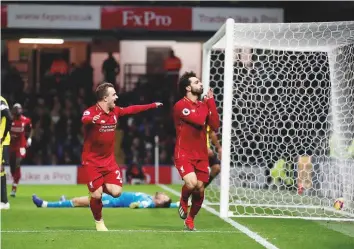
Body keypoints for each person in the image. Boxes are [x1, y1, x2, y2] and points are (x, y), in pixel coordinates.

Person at [81, 82, 162, 231]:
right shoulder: (91, 112)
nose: (116, 97)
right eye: (114, 95)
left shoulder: (115, 112)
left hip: (109, 162)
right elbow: (85, 118)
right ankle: (99, 221)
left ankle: (95, 186)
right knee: (97, 195)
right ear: (105, 98)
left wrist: (152, 105)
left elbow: (132, 109)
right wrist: (93, 120)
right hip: (91, 161)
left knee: (116, 192)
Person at [173, 71, 220, 231]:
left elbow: (214, 125)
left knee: (200, 189)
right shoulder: (180, 106)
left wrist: (211, 102)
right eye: (196, 82)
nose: (201, 84)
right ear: (188, 87)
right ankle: (184, 198)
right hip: (184, 153)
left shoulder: (203, 105)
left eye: (200, 82)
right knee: (192, 184)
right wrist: (207, 106)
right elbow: (200, 120)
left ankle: (191, 219)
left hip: (201, 155)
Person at [32, 192, 178, 209]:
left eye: (164, 197)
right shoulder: (151, 198)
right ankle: (63, 202)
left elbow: (142, 205)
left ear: (159, 202)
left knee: (77, 201)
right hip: (111, 197)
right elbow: (169, 205)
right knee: (79, 201)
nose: (163, 194)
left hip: (111, 201)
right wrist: (179, 204)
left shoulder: (150, 202)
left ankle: (44, 205)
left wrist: (137, 205)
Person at [9, 103, 33, 197]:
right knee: (12, 167)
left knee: (18, 162)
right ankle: (15, 179)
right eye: (17, 109)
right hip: (11, 146)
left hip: (21, 146)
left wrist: (29, 138)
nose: (18, 111)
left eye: (20, 109)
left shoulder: (25, 120)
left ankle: (14, 188)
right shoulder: (9, 120)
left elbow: (31, 129)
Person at [0, 96, 12, 210]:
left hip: (1, 141)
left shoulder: (1, 101)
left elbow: (9, 117)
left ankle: (4, 201)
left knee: (0, 168)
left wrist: (3, 136)